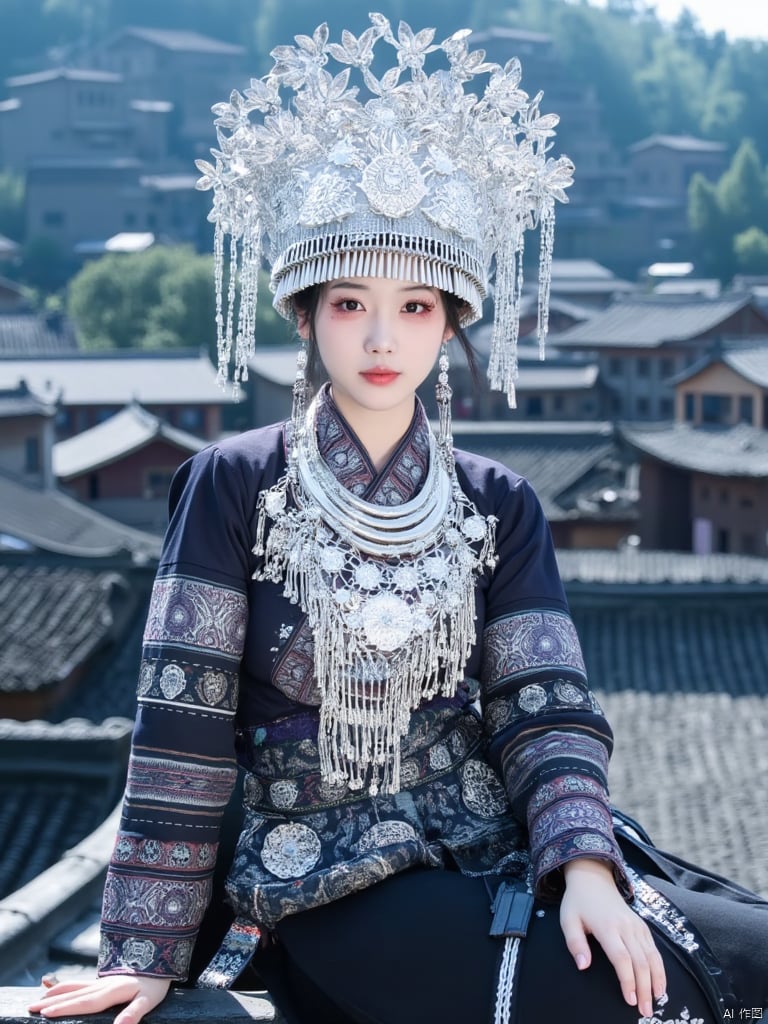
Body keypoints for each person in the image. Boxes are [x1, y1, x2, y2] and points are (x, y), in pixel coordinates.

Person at [30, 14, 767, 1024]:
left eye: (418, 307)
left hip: (498, 845)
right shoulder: (231, 484)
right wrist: (146, 948)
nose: (383, 336)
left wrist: (588, 865)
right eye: (350, 303)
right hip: (325, 887)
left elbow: (543, 704)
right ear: (304, 312)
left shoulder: (497, 501)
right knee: (631, 1001)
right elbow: (181, 724)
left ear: (454, 321)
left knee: (747, 952)